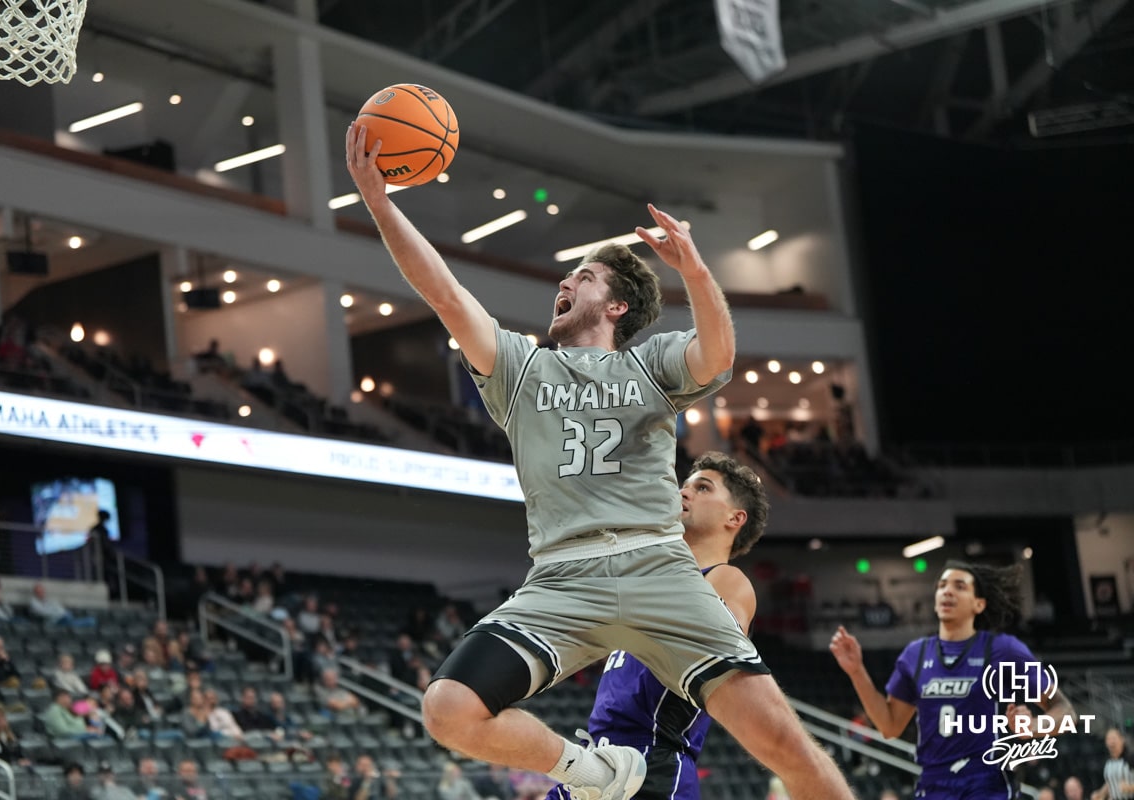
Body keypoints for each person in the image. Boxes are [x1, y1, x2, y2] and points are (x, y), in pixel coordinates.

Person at [346, 122, 854, 800]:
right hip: (561, 577)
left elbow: (719, 356)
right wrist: (380, 202)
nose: (564, 282)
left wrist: (696, 272)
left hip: (658, 566)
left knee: (786, 745)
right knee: (448, 708)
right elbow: (445, 294)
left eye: (580, 276)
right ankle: (593, 774)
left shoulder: (651, 363)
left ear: (615, 304)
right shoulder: (520, 369)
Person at [545, 452, 768, 800]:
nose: (684, 492)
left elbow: (721, 644)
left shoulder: (726, 578)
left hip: (652, 760)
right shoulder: (651, 583)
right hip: (596, 761)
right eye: (684, 485)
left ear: (735, 517)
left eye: (703, 488)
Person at [830, 560, 1076, 799]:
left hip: (986, 784)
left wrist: (1033, 728)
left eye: (959, 586)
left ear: (978, 604)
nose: (947, 591)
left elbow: (1066, 712)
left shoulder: (1003, 649)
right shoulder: (915, 655)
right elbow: (889, 726)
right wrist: (857, 672)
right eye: (942, 585)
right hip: (934, 786)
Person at [1093, 727, 1134, 800]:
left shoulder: (1130, 758)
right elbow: (1111, 781)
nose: (1111, 741)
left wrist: (1130, 787)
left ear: (1122, 740)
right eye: (1108, 739)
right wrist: (1100, 793)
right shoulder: (1108, 763)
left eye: (1114, 738)